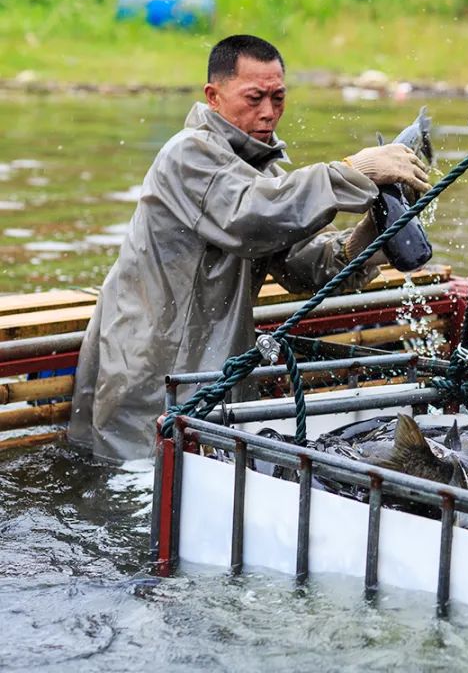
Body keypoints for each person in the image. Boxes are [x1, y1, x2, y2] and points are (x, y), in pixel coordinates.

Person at [69, 35, 431, 462]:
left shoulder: (265, 172)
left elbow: (306, 270)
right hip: (148, 369)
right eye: (254, 97)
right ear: (214, 97)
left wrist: (372, 231)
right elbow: (249, 216)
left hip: (214, 371)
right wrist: (352, 171)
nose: (269, 112)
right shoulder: (186, 154)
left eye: (278, 97)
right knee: (134, 493)